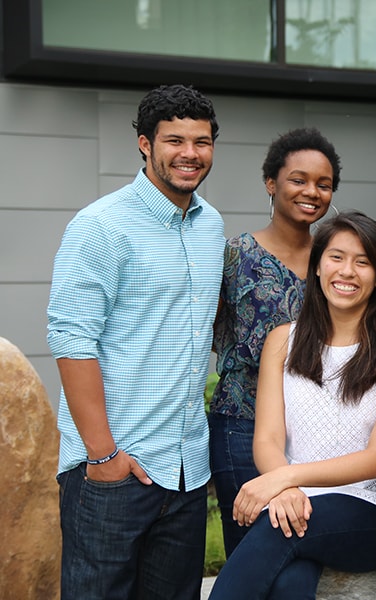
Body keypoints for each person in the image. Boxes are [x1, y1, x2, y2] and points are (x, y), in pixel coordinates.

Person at [47, 84, 223, 600]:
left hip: (187, 471)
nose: (189, 153)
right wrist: (104, 458)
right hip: (113, 473)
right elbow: (71, 340)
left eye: (202, 141)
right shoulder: (101, 225)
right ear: (145, 144)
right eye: (174, 140)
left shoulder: (211, 227)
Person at [209, 211, 376, 600]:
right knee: (289, 583)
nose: (347, 271)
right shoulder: (283, 341)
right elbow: (268, 439)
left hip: (374, 510)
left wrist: (284, 480)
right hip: (298, 503)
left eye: (363, 261)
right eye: (336, 257)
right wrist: (286, 487)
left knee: (276, 530)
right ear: (317, 266)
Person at [209, 127, 341, 556]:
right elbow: (207, 332)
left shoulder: (336, 261)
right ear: (271, 183)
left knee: (301, 551)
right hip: (243, 423)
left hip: (319, 431)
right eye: (298, 180)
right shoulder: (234, 256)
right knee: (251, 550)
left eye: (324, 184)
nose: (311, 192)